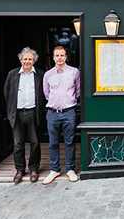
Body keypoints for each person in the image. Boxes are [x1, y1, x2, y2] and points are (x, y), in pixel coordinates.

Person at [3, 47, 46, 183]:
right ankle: (20, 170)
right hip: (17, 112)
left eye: (30, 59)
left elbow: (44, 94)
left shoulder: (40, 74)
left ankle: (34, 169)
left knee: (35, 142)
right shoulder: (13, 74)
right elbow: (7, 93)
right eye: (25, 59)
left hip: (33, 112)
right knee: (18, 143)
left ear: (34, 61)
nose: (27, 61)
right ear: (21, 60)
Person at [42, 45, 80, 184]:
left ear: (66, 57)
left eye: (62, 55)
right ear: (53, 57)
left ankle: (70, 169)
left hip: (69, 112)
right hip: (52, 113)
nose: (59, 58)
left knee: (70, 142)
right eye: (57, 55)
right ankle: (55, 169)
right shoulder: (48, 75)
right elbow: (47, 94)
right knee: (53, 143)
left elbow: (78, 91)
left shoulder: (74, 72)